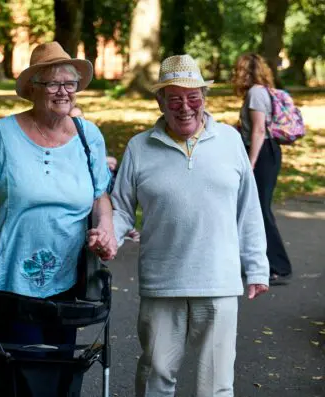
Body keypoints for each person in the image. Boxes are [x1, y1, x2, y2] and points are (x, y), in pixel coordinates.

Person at [0, 41, 117, 396]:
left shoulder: (87, 136)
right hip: (11, 276)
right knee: (25, 373)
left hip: (69, 279)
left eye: (70, 83)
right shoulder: (2, 135)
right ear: (33, 87)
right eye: (53, 83)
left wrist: (105, 228)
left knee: (62, 369)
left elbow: (99, 195)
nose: (63, 92)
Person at [111, 54, 270, 397]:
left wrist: (257, 267)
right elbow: (121, 208)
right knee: (156, 375)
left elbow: (249, 208)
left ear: (204, 99)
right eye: (175, 99)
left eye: (193, 97)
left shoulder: (229, 141)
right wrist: (109, 236)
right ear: (161, 102)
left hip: (218, 281)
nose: (185, 107)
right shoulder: (139, 148)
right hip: (162, 282)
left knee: (216, 385)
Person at [232, 53, 292, 285]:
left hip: (263, 154)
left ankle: (279, 266)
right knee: (253, 209)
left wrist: (251, 162)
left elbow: (259, 130)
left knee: (261, 211)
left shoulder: (256, 93)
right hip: (263, 151)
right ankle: (258, 263)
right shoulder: (258, 92)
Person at [70, 105, 140, 243]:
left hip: (99, 199)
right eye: (72, 119)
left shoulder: (91, 139)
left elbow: (101, 180)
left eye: (80, 118)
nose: (77, 122)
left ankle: (117, 229)